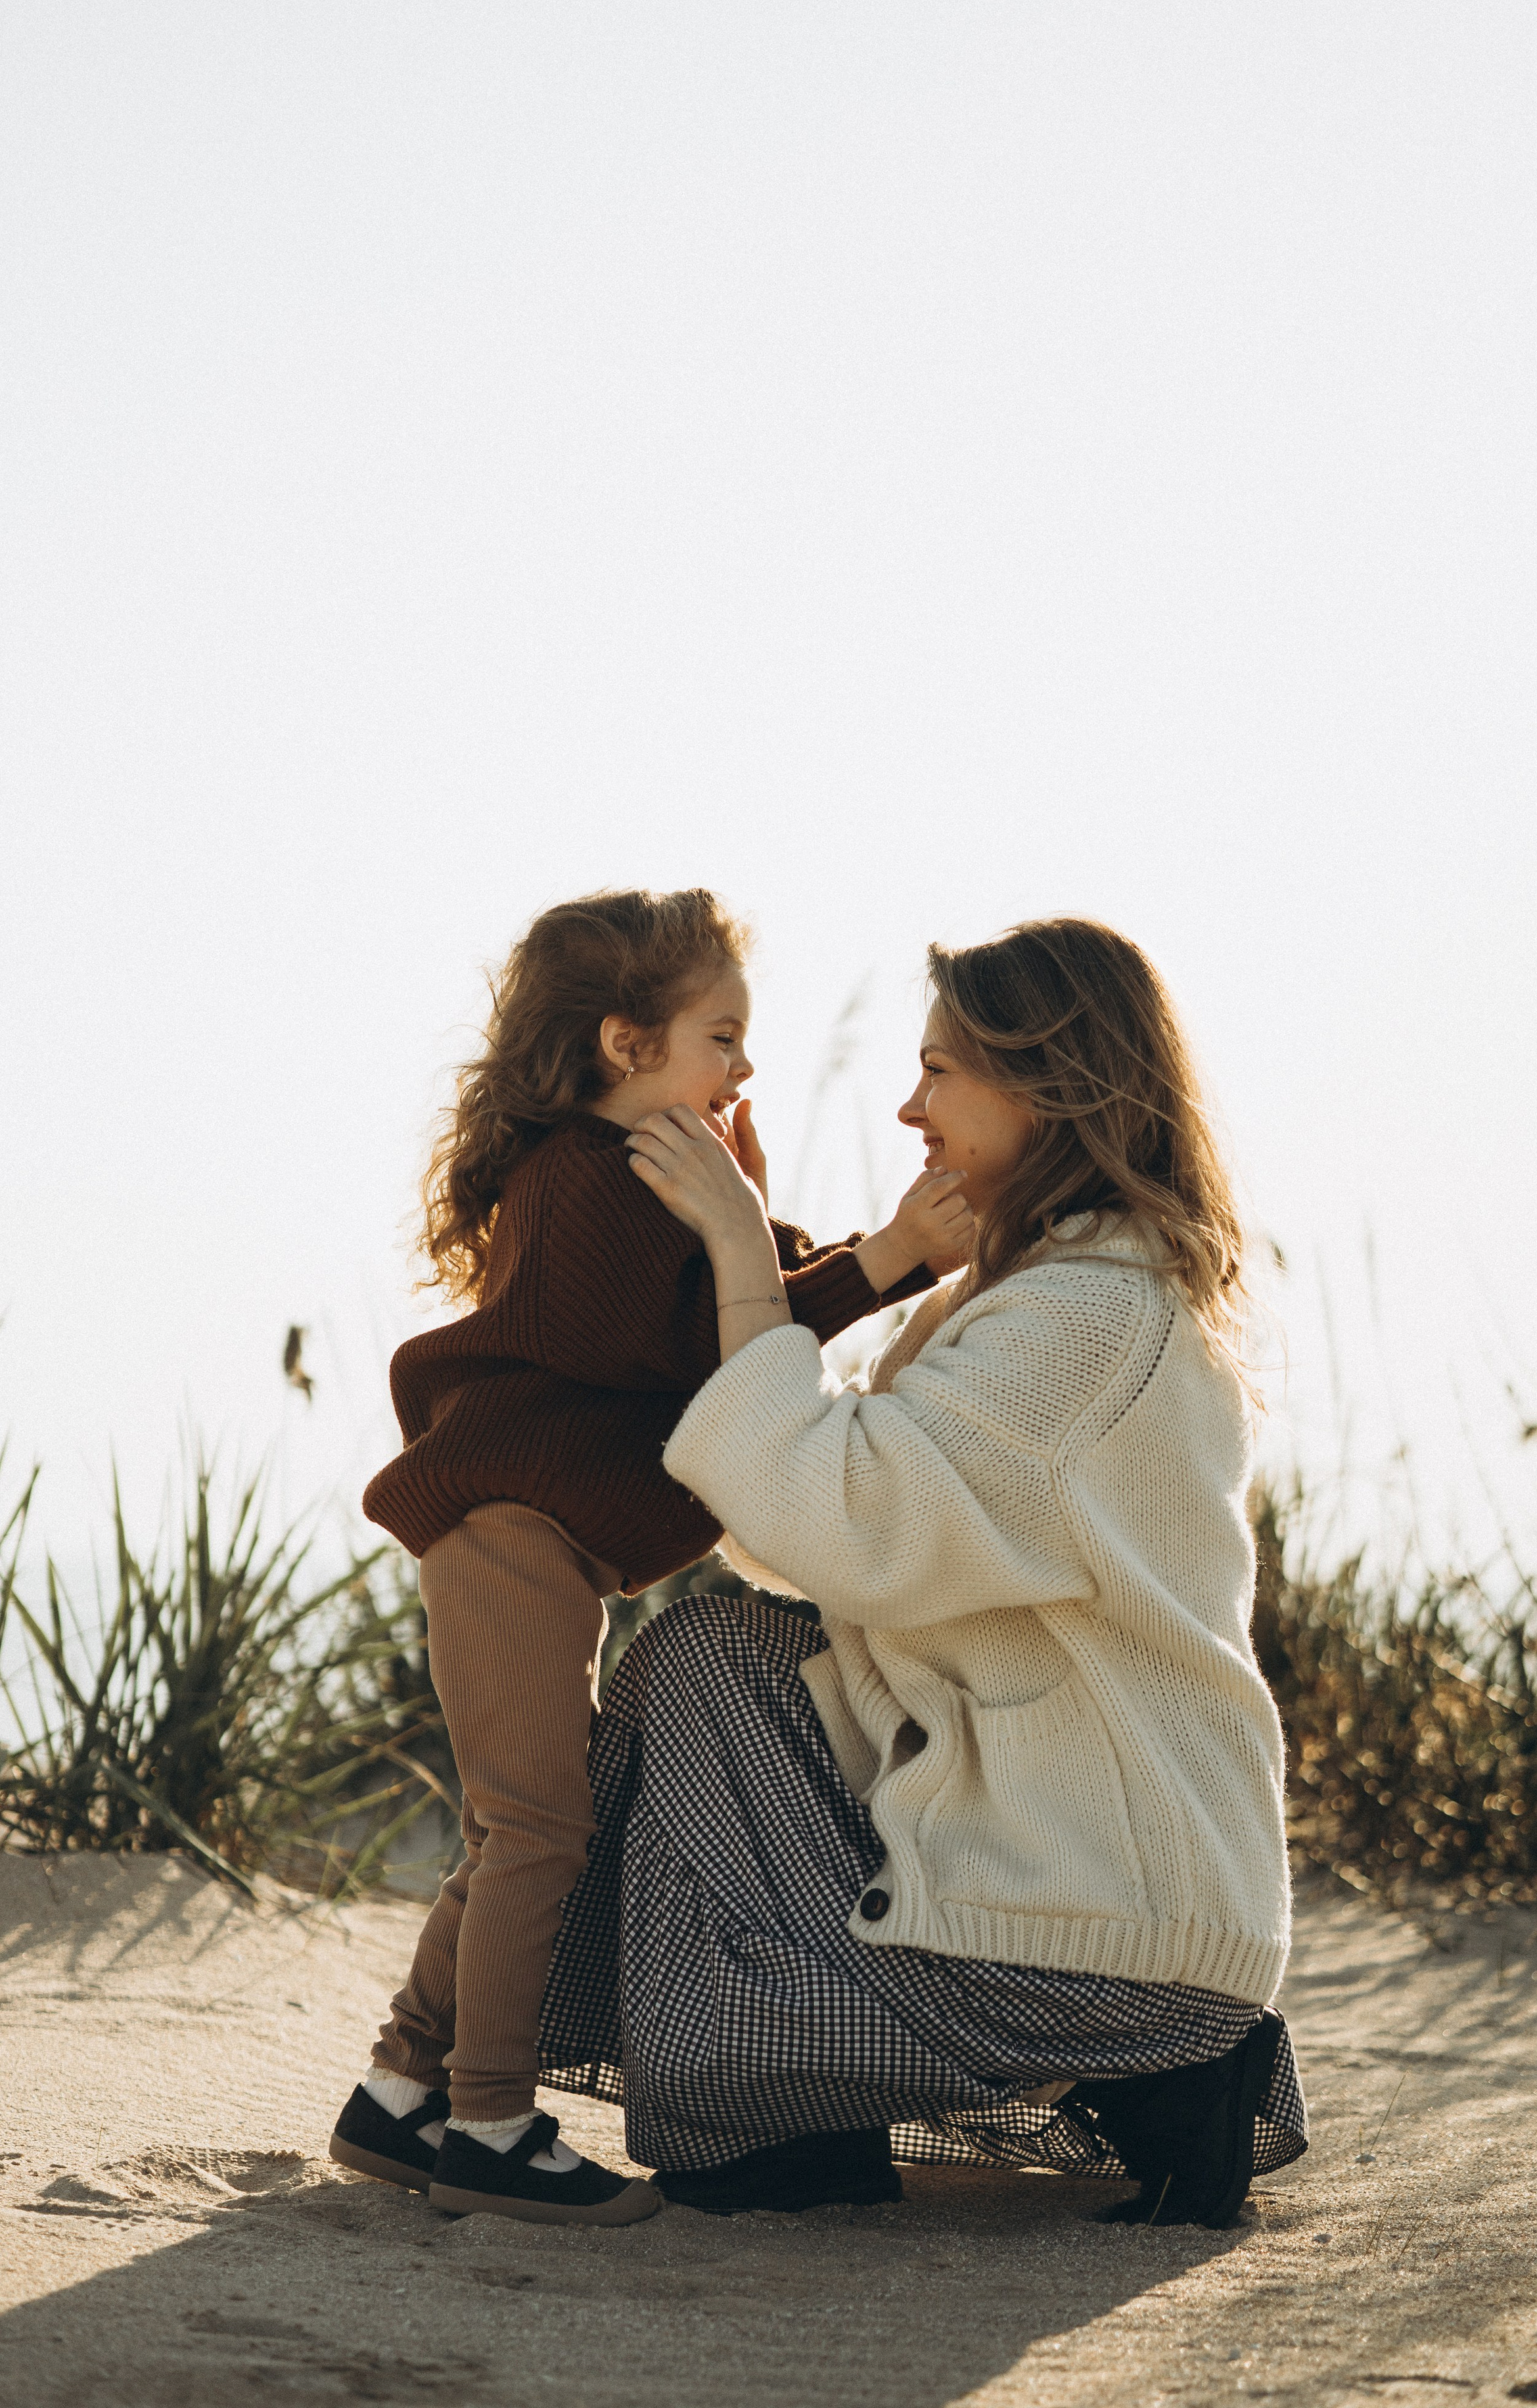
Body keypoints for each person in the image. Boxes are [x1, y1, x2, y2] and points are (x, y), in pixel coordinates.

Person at [536, 917, 1306, 2226]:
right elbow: (807, 1534)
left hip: (1103, 1939)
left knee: (702, 1666)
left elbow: (835, 1518)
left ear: (1047, 1086)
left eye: (939, 1071)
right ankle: (802, 2105)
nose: (910, 1109)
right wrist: (754, 1268)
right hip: (1097, 1902)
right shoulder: (1052, 1293)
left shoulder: (1084, 1317)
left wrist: (742, 1254)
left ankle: (786, 2108)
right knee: (719, 1663)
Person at [328, 886, 973, 2226]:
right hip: (506, 1532)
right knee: (535, 1833)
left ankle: (398, 2096)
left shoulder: (653, 1171)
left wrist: (813, 1238)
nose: (745, 1068)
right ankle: (488, 2124)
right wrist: (884, 1253)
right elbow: (703, 1350)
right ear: (626, 1045)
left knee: (514, 1829)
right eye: (720, 1039)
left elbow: (752, 1303)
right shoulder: (581, 1178)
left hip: (536, 1543)